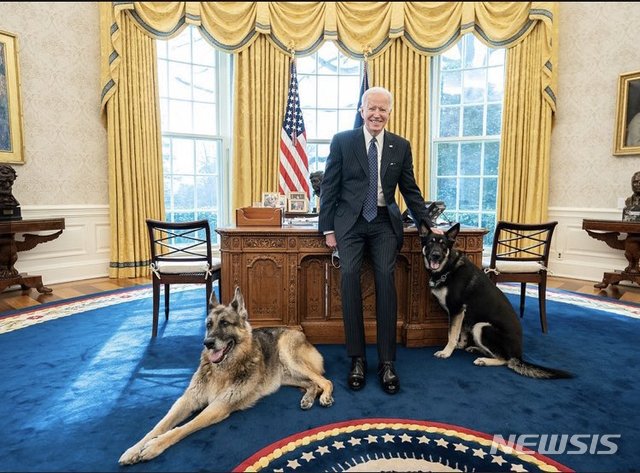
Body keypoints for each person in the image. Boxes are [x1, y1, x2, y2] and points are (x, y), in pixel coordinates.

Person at [318, 86, 431, 395]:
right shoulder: (343, 141)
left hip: (384, 222)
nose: (377, 114)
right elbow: (329, 187)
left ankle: (386, 362)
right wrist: (327, 228)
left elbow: (410, 189)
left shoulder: (400, 146)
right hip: (350, 223)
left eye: (383, 109)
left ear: (389, 113)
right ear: (362, 111)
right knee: (350, 278)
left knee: (385, 279)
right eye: (372, 108)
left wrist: (427, 224)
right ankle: (356, 359)